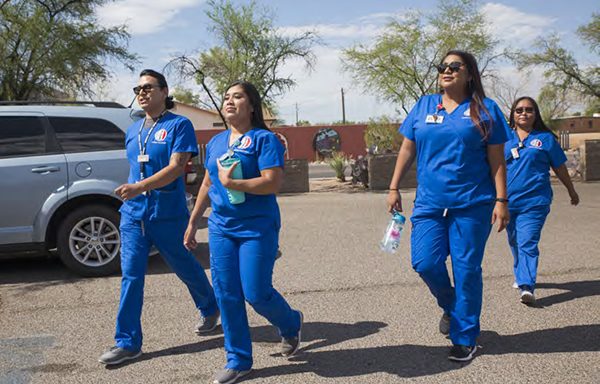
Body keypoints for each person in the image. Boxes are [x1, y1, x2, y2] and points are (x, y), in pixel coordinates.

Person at [386, 50, 510, 362]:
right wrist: (393, 186)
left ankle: (465, 337)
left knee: (467, 270)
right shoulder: (425, 105)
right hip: (429, 203)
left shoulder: (486, 109)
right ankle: (452, 307)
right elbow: (407, 147)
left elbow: (497, 160)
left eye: (455, 67)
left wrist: (501, 199)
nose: (447, 71)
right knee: (425, 263)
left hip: (473, 204)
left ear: (470, 74)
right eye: (443, 66)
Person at [184, 81, 302, 384]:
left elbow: (272, 183)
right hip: (222, 227)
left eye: (238, 97)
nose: (230, 101)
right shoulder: (216, 143)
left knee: (256, 292)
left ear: (252, 106)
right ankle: (238, 359)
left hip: (257, 227)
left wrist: (234, 184)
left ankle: (290, 323)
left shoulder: (265, 140)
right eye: (226, 97)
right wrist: (194, 220)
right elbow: (209, 184)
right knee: (226, 293)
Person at [99, 69, 219, 365]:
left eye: (148, 87)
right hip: (133, 217)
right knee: (131, 276)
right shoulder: (133, 130)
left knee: (184, 265)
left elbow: (178, 167)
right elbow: (136, 167)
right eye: (137, 88)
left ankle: (210, 306)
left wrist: (140, 187)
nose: (141, 92)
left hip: (167, 214)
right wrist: (135, 191)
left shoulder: (180, 125)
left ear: (164, 91)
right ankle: (127, 342)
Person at [505, 96, 579, 305]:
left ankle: (527, 286)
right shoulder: (503, 139)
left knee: (527, 240)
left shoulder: (545, 139)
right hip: (508, 202)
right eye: (519, 110)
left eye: (529, 110)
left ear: (535, 114)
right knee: (514, 240)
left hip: (535, 201)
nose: (524, 113)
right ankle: (521, 272)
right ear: (513, 114)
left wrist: (571, 191)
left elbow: (560, 168)